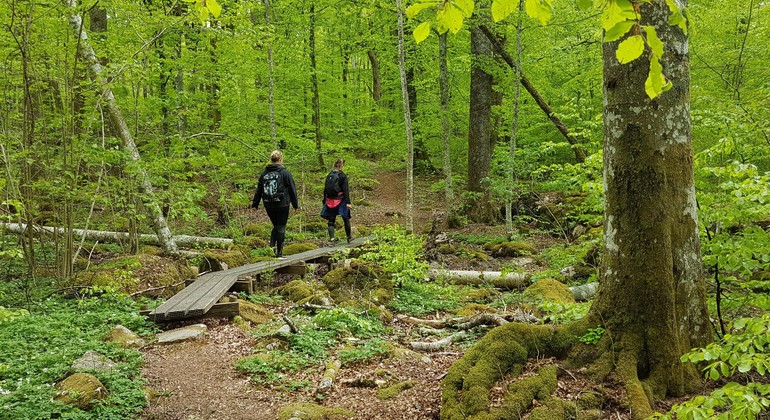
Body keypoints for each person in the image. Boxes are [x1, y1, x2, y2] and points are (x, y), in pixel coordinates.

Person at [251, 150, 298, 258]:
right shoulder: (285, 173)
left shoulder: (264, 174)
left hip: (268, 204)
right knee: (281, 226)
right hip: (282, 203)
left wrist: (255, 204)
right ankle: (279, 253)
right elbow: (292, 189)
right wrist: (295, 205)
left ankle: (271, 247)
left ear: (271, 160)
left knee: (275, 225)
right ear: (281, 159)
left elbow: (259, 190)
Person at [320, 158, 352, 243]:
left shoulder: (329, 174)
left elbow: (325, 189)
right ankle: (349, 237)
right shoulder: (342, 176)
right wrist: (348, 202)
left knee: (331, 220)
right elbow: (345, 190)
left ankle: (332, 239)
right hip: (340, 200)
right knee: (345, 218)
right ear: (342, 165)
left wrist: (324, 200)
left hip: (330, 200)